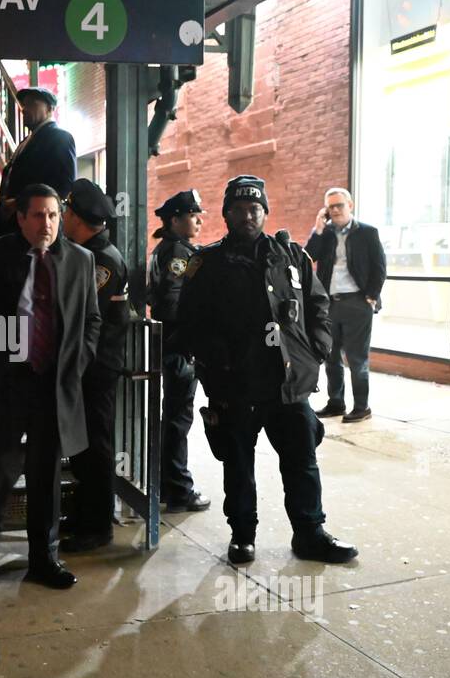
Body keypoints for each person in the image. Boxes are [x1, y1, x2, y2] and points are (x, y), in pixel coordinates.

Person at [167, 175, 358, 567]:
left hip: (287, 384)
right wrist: (213, 363)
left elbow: (317, 306)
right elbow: (186, 323)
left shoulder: (291, 256)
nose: (247, 216)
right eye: (238, 209)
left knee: (302, 460)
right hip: (235, 386)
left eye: (255, 209)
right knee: (238, 465)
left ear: (265, 212)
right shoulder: (206, 263)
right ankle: (242, 536)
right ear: (227, 215)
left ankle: (309, 532)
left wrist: (317, 349)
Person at [0, 183, 101, 588]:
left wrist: (76, 363)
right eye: (39, 215)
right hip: (6, 383)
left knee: (47, 477)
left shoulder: (81, 260)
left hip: (53, 386)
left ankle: (44, 559)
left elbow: (92, 319)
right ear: (21, 218)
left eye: (54, 216)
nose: (48, 224)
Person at [58, 179, 130, 552]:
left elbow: (85, 315)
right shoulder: (88, 251)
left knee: (96, 447)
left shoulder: (102, 260)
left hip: (97, 368)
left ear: (78, 218)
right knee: (84, 448)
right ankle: (86, 516)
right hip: (87, 366)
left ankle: (98, 526)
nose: (62, 220)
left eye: (66, 213)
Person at [148, 189, 211, 514]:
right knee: (178, 420)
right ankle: (178, 490)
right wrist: (190, 339)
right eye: (192, 215)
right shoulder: (178, 254)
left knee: (173, 418)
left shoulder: (171, 249)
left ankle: (168, 485)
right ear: (175, 220)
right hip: (179, 348)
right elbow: (171, 302)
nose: (199, 220)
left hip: (172, 346)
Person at [305, 187, 386, 423]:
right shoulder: (326, 234)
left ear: (350, 205)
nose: (336, 210)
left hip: (357, 303)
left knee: (357, 358)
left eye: (340, 205)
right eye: (331, 207)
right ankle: (336, 403)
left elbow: (379, 268)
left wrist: (370, 297)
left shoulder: (368, 233)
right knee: (330, 356)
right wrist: (318, 229)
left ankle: (362, 407)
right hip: (330, 304)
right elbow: (308, 257)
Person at [0, 86, 77, 235]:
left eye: (32, 103)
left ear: (50, 108)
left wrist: (20, 202)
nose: (24, 109)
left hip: (37, 227)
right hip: (16, 225)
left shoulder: (61, 138)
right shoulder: (27, 141)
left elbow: (64, 186)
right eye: (24, 104)